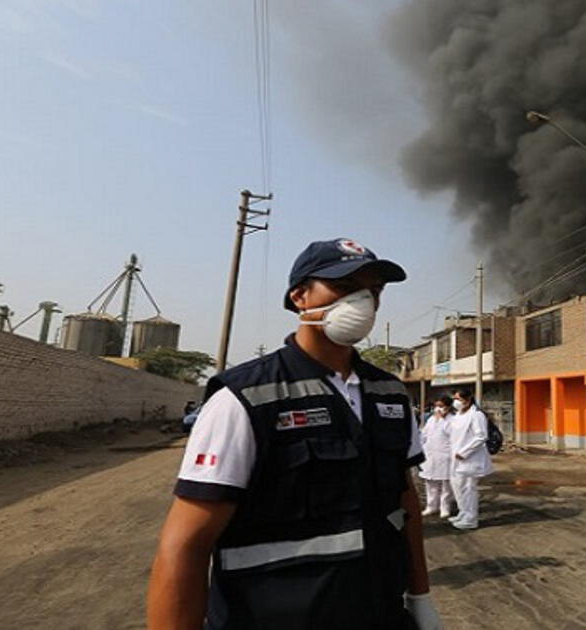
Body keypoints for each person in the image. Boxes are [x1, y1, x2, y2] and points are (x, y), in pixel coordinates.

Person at [147, 238, 442, 630]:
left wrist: (419, 597)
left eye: (374, 291)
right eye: (346, 287)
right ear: (300, 297)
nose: (364, 302)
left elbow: (404, 503)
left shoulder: (390, 393)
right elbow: (185, 544)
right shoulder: (244, 398)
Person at [447, 389, 493, 530]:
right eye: (454, 398)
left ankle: (471, 519)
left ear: (467, 400)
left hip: (470, 459)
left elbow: (481, 436)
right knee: (457, 486)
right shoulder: (458, 415)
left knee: (468, 488)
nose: (456, 401)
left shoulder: (476, 415)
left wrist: (465, 452)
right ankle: (463, 512)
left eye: (459, 399)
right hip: (456, 458)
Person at [418, 396, 455, 518]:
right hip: (430, 455)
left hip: (445, 455)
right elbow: (424, 434)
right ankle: (431, 506)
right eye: (436, 406)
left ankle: (445, 508)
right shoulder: (431, 420)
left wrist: (442, 420)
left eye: (441, 406)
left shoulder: (452, 420)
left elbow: (453, 435)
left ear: (448, 407)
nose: (438, 409)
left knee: (446, 484)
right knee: (430, 483)